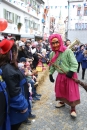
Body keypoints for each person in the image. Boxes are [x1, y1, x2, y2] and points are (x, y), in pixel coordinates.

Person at [0, 39, 31, 130]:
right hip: (15, 111)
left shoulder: (9, 65)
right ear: (13, 53)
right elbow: (14, 92)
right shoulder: (8, 69)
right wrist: (22, 106)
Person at [49, 34, 80, 118]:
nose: (55, 45)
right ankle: (62, 102)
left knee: (71, 91)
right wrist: (50, 74)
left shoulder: (67, 51)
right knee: (61, 89)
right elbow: (52, 65)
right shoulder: (52, 53)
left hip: (70, 75)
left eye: (57, 42)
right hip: (60, 75)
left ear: (60, 42)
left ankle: (73, 108)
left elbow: (74, 63)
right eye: (53, 43)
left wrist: (71, 71)